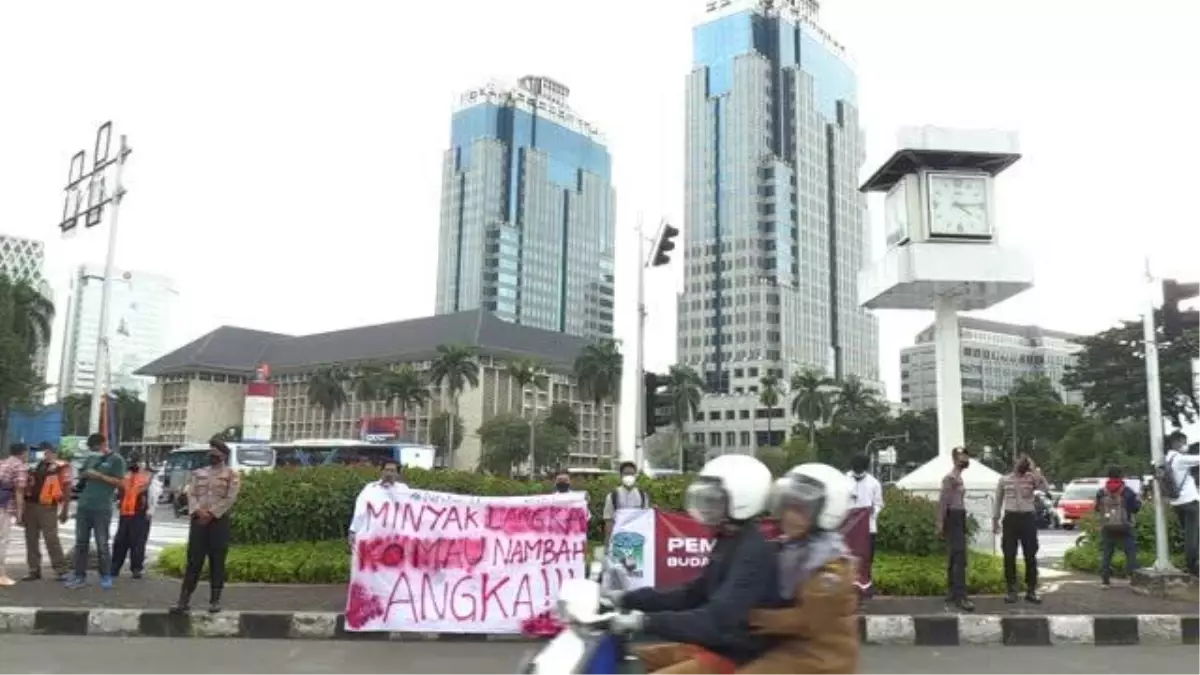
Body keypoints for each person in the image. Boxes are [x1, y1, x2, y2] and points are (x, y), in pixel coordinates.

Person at [602, 454, 779, 675]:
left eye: (715, 501)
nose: (707, 507)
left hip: (738, 657)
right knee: (632, 662)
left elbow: (715, 622)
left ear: (742, 502)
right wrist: (625, 598)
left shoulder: (753, 551)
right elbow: (691, 595)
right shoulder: (728, 539)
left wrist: (644, 622)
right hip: (716, 647)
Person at [735, 463, 859, 675]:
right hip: (788, 645)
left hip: (821, 657)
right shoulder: (788, 548)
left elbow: (806, 619)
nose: (789, 517)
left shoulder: (831, 567)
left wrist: (747, 617)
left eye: (801, 510)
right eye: (787, 507)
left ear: (825, 512)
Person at [171, 439, 241, 614]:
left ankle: (215, 601)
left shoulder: (232, 475)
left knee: (217, 561)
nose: (212, 457)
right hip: (198, 521)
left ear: (223, 456)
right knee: (193, 561)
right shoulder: (198, 473)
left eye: (215, 454)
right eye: (210, 454)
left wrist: (211, 513)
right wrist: (197, 511)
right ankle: (183, 600)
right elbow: (191, 494)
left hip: (218, 522)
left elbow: (230, 498)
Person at [66, 433, 126, 590]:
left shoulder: (117, 460)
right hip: (84, 506)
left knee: (102, 543)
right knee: (81, 542)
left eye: (97, 447)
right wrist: (85, 474)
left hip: (102, 507)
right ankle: (79, 575)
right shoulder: (90, 458)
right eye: (92, 448)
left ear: (104, 444)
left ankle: (106, 575)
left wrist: (99, 475)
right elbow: (81, 475)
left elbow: (120, 483)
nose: (95, 450)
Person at [993, 453, 1049, 604]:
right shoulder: (1004, 480)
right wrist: (995, 520)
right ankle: (1011, 590)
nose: (1022, 463)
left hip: (1027, 518)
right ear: (1014, 461)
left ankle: (1031, 590)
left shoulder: (1031, 478)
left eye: (1024, 461)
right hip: (1010, 519)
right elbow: (998, 501)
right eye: (1020, 460)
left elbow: (1045, 488)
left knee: (1030, 555)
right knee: (1009, 556)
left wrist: (1034, 468)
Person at [23, 442, 71, 581]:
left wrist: (65, 510)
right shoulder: (34, 466)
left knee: (51, 539)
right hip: (31, 505)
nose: (41, 454)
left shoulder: (61, 467)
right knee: (31, 539)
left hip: (48, 507)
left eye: (43, 451)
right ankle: (34, 570)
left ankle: (61, 570)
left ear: (50, 452)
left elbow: (67, 488)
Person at [936, 447, 974, 612]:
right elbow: (943, 503)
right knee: (959, 557)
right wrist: (940, 524)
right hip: (953, 517)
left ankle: (952, 592)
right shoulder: (949, 479)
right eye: (961, 456)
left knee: (955, 556)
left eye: (966, 455)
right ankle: (961, 596)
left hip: (959, 517)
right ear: (955, 459)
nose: (965, 459)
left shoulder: (960, 479)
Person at [111, 453, 159, 579]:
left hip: (141, 513)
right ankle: (114, 567)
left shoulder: (149, 476)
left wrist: (150, 511)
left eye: (137, 461)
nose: (134, 463)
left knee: (137, 542)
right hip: (125, 513)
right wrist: (118, 501)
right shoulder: (126, 475)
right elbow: (119, 491)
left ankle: (136, 568)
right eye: (132, 461)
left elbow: (154, 494)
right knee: (120, 541)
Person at [1095, 466, 1140, 587]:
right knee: (1130, 552)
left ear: (1108, 476)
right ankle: (1133, 578)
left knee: (1107, 553)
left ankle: (1105, 581)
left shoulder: (1101, 492)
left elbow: (1097, 508)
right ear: (1121, 476)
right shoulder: (1127, 491)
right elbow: (1135, 508)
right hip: (1125, 526)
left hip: (1107, 526)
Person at [846, 454, 883, 598]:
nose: (858, 471)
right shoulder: (844, 481)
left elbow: (879, 503)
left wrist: (873, 511)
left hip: (869, 528)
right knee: (849, 557)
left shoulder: (874, 483)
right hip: (849, 529)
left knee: (867, 557)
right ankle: (849, 586)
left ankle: (866, 586)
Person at [1164, 432, 1200, 576]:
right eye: (1184, 442)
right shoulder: (1179, 459)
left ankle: (1194, 563)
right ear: (1177, 442)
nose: (1185, 445)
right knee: (1192, 535)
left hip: (1176, 502)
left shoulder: (1167, 459)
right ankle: (1192, 566)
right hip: (1189, 501)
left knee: (1189, 533)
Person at [348, 459, 407, 546]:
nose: (389, 474)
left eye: (392, 471)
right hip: (371, 536)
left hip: (394, 537)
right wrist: (353, 530)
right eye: (386, 470)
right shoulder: (370, 488)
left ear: (397, 474)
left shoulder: (403, 490)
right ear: (381, 471)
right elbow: (360, 511)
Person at [0, 444, 30, 587]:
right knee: (2, 540)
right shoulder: (19, 466)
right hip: (4, 506)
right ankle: (1, 575)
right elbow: (19, 491)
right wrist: (20, 513)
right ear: (22, 453)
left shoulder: (3, 462)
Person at [603, 461, 650, 541]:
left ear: (636, 476)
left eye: (631, 474)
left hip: (637, 538)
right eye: (626, 474)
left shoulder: (643, 496)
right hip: (619, 539)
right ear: (621, 476)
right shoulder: (612, 496)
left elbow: (645, 520)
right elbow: (609, 520)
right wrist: (608, 541)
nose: (629, 476)